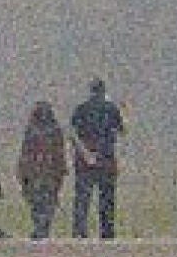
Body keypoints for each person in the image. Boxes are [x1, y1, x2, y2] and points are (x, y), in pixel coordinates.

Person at [69, 79, 126, 239]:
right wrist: (123, 111)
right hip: (107, 159)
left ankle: (79, 231)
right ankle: (106, 232)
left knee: (82, 198)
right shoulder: (111, 109)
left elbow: (72, 134)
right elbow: (123, 131)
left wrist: (85, 152)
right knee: (106, 198)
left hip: (84, 161)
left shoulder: (81, 109)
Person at [17, 101, 68, 240]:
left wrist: (22, 171)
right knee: (45, 201)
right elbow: (59, 152)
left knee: (38, 202)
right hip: (47, 172)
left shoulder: (32, 130)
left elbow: (26, 153)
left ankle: (40, 227)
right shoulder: (54, 130)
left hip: (37, 172)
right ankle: (42, 227)